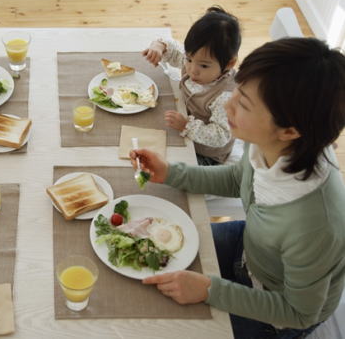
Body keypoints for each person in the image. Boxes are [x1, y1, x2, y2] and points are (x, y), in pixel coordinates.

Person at [131, 37, 345, 338]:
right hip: (249, 248)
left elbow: (299, 312)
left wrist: (210, 290)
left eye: (242, 102)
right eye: (238, 90)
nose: (227, 103)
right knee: (143, 252)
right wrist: (170, 173)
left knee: (168, 326)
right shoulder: (271, 145)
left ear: (290, 131)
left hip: (277, 316)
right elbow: (237, 179)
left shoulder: (316, 224)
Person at [143, 6, 241, 165]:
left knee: (166, 167)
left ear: (229, 63)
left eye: (204, 66)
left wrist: (187, 125)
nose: (192, 70)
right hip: (182, 124)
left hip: (205, 154)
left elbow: (220, 136)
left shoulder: (226, 96)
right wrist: (160, 47)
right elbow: (175, 52)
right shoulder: (195, 61)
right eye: (189, 59)